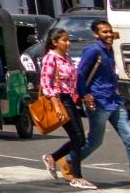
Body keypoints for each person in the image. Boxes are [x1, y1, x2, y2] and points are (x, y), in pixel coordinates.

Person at [77, 20, 130, 192]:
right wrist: (85, 95)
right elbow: (81, 75)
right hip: (98, 102)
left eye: (109, 31)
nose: (108, 34)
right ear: (96, 34)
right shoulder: (93, 51)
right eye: (104, 32)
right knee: (95, 141)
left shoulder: (109, 50)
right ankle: (70, 160)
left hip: (114, 101)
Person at [39, 24, 95, 190]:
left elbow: (72, 81)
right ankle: (76, 177)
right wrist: (56, 102)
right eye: (65, 40)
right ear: (55, 42)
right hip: (60, 100)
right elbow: (45, 83)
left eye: (69, 40)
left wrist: (82, 97)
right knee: (78, 137)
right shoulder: (51, 58)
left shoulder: (66, 57)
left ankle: (52, 158)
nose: (68, 43)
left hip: (70, 100)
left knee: (79, 138)